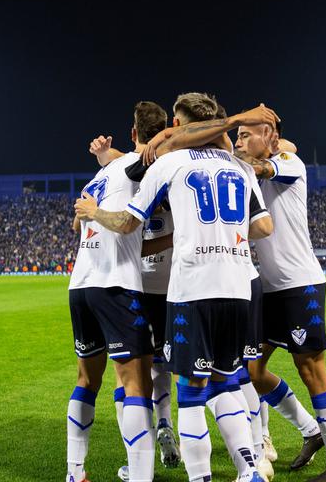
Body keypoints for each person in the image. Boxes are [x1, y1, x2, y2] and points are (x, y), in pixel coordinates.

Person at [76, 92, 277, 482]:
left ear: (180, 127)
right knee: (226, 381)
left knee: (191, 391)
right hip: (238, 288)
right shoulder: (241, 167)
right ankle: (249, 469)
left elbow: (127, 224)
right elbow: (262, 227)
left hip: (192, 289)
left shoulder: (169, 163)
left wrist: (94, 212)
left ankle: (200, 476)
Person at [235, 121, 326, 482]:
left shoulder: (289, 162)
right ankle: (310, 430)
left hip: (300, 285)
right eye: (236, 135)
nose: (239, 141)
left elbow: (263, 165)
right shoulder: (255, 173)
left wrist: (242, 158)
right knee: (251, 371)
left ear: (269, 137)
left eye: (245, 135)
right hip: (270, 290)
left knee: (312, 370)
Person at [65, 102, 172, 482]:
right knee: (136, 383)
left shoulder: (101, 175)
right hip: (117, 284)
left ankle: (74, 473)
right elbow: (167, 147)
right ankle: (141, 476)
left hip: (81, 285)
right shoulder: (141, 163)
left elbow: (77, 225)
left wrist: (101, 154)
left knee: (86, 381)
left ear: (130, 133)